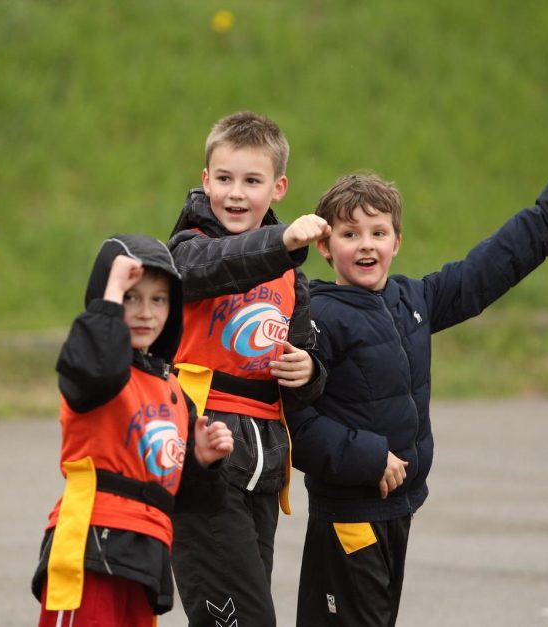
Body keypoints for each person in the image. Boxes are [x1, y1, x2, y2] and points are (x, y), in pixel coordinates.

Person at [289, 170, 548, 626]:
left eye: (379, 232)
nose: (366, 245)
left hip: (397, 508)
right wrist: (370, 458)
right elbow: (296, 423)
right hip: (349, 517)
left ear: (398, 241)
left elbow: (487, 269)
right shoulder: (320, 318)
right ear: (325, 245)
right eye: (350, 234)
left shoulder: (412, 299)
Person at [167, 111, 330, 626]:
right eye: (224, 178)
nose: (236, 194)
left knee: (238, 615)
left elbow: (305, 370)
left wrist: (308, 372)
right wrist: (280, 245)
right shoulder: (186, 249)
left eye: (252, 181)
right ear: (205, 181)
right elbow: (220, 263)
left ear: (278, 188)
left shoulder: (291, 277)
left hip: (262, 466)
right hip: (204, 459)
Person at [30, 234, 234, 627]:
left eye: (158, 299)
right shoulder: (98, 365)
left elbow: (189, 500)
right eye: (131, 297)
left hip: (147, 553)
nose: (145, 312)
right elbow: (95, 369)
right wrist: (110, 292)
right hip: (90, 542)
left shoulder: (173, 389)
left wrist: (203, 462)